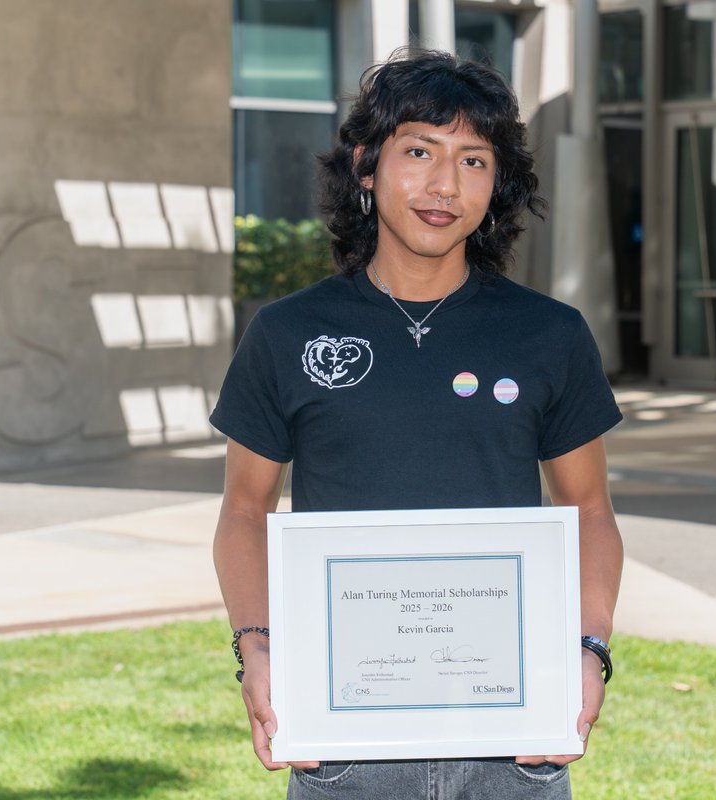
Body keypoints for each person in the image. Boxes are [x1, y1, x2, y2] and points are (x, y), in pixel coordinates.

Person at [211, 50, 624, 800]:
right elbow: (244, 512)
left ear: (497, 182)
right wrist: (258, 648)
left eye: (473, 159)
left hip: (516, 740)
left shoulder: (550, 335)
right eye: (420, 152)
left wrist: (589, 652)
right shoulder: (286, 334)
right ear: (366, 167)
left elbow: (589, 510)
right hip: (343, 744)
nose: (445, 185)